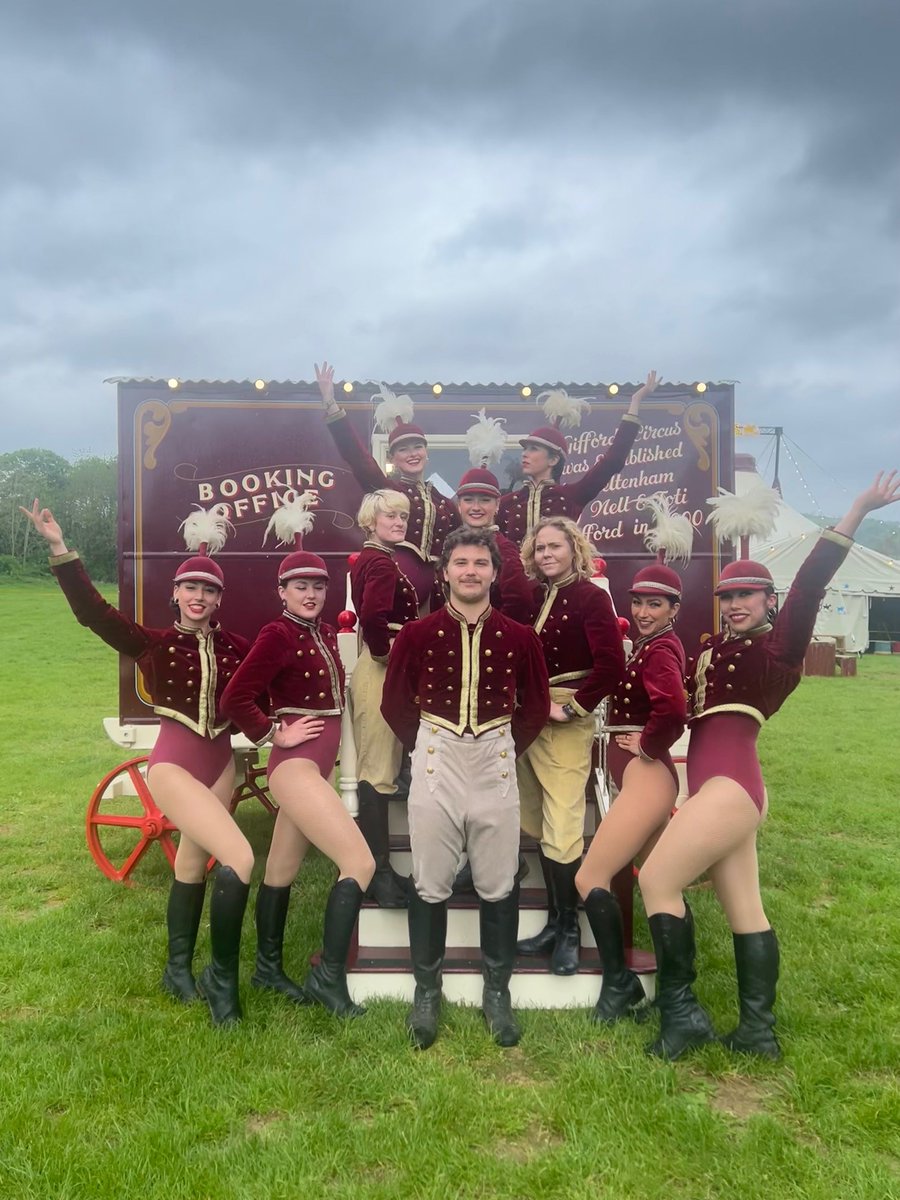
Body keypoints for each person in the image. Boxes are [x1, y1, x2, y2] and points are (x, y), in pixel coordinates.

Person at [637, 470, 900, 1061]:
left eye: (747, 596)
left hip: (731, 789)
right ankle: (758, 1033)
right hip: (721, 789)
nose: (734, 605)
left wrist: (857, 509)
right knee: (745, 910)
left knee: (656, 880)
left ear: (769, 602)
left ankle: (683, 1017)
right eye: (727, 597)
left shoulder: (778, 650)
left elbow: (810, 584)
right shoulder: (711, 650)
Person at [21, 498, 254, 1027]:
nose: (199, 597)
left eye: (209, 590)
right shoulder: (153, 644)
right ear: (175, 593)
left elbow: (266, 685)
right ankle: (222, 982)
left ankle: (177, 971)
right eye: (190, 587)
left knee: (191, 865)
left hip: (221, 766)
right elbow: (93, 614)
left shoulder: (238, 647)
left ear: (219, 598)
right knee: (240, 859)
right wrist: (60, 549)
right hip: (174, 766)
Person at [382, 527, 550, 1049]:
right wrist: (424, 747)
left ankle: (496, 993)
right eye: (461, 562)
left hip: (495, 758)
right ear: (445, 572)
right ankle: (426, 994)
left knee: (498, 879)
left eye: (480, 563)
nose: (470, 571)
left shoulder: (520, 636)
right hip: (437, 757)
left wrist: (504, 748)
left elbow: (536, 706)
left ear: (494, 573)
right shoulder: (417, 634)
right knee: (431, 877)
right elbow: (394, 702)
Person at [220, 496, 375, 1018]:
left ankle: (266, 969)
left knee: (281, 871)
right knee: (359, 862)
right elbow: (236, 698)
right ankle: (328, 979)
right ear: (282, 591)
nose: (310, 594)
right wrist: (272, 734)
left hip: (316, 769)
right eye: (300, 586)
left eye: (318, 586)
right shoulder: (278, 633)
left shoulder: (326, 633)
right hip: (295, 770)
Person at [575, 495, 694, 1023]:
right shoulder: (649, 646)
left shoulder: (662, 650)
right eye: (639, 603)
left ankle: (619, 986)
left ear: (674, 609)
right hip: (644, 777)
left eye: (655, 605)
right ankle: (676, 995)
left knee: (590, 877)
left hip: (647, 777)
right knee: (659, 879)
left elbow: (673, 710)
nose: (644, 613)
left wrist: (645, 745)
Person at [508, 516, 625, 975]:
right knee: (538, 818)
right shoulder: (536, 596)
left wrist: (573, 708)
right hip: (530, 718)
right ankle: (554, 923)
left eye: (555, 546)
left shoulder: (592, 597)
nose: (547, 555)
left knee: (562, 820)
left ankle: (570, 929)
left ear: (574, 549)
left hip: (564, 719)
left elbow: (611, 665)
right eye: (540, 549)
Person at [316, 361, 458, 609]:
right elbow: (358, 458)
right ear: (393, 458)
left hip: (439, 593)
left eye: (417, 447)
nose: (412, 454)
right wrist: (331, 403)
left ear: (426, 452)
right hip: (397, 588)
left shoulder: (443, 501)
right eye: (403, 449)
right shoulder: (389, 491)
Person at [348, 489, 420, 907]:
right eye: (390, 516)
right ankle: (379, 874)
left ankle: (383, 870)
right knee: (376, 770)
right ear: (371, 521)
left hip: (385, 669)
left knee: (382, 764)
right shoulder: (378, 562)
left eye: (403, 517)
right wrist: (384, 654)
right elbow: (374, 616)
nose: (398, 523)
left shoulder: (377, 558)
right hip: (380, 670)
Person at [497, 373, 658, 544]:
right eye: (525, 449)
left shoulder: (571, 496)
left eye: (533, 449)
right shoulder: (507, 502)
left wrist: (635, 401)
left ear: (553, 460)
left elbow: (611, 462)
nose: (525, 454)